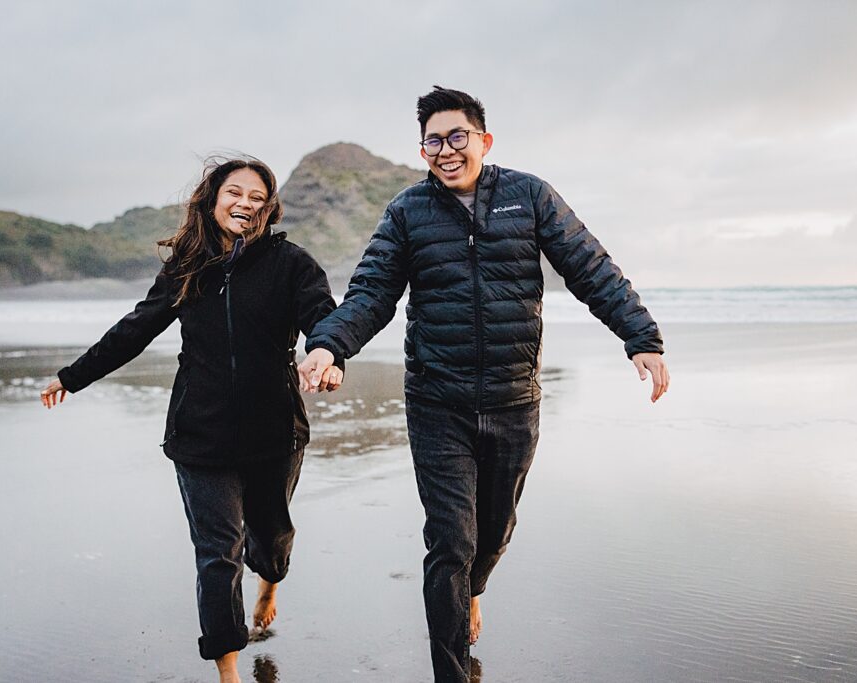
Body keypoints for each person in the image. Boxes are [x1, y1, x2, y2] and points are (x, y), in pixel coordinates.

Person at [298, 86, 670, 682]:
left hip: (513, 399)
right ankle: (451, 669)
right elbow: (371, 293)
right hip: (436, 402)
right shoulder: (407, 212)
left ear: (483, 140)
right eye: (433, 141)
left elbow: (589, 266)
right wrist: (327, 343)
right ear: (423, 150)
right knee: (450, 542)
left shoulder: (529, 196)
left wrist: (641, 336)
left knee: (493, 534)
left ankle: (475, 589)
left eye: (457, 137)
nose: (445, 150)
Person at [39, 155, 343, 683]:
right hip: (200, 433)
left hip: (275, 431)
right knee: (216, 552)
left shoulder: (290, 263)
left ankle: (270, 578)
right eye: (235, 193)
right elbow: (136, 328)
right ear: (213, 198)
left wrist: (326, 352)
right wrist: (74, 375)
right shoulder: (187, 267)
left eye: (257, 198)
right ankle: (227, 670)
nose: (245, 204)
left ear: (269, 209)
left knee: (269, 539)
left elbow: (322, 314)